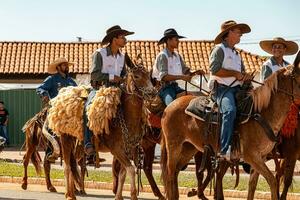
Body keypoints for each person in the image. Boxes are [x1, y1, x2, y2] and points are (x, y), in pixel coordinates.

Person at [84, 25, 134, 162]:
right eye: (122, 37)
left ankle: (132, 142)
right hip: (100, 89)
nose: (125, 40)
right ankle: (88, 143)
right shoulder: (99, 54)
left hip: (118, 89)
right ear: (114, 39)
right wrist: (112, 77)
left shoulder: (122, 56)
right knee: (88, 108)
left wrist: (126, 78)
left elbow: (124, 74)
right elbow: (94, 74)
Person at [208, 20, 253, 159]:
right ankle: (224, 149)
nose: (240, 34)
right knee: (230, 111)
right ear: (228, 34)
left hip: (237, 90)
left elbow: (241, 73)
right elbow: (214, 69)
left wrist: (246, 77)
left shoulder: (237, 54)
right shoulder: (219, 49)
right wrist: (235, 73)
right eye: (237, 31)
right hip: (221, 89)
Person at [37, 57, 77, 162]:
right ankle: (51, 151)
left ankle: (86, 150)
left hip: (71, 111)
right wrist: (44, 94)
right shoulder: (52, 79)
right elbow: (40, 88)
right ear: (58, 67)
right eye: (64, 65)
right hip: (56, 110)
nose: (66, 67)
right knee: (51, 127)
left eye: (67, 65)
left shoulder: (71, 81)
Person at [152, 28, 204, 106]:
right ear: (168, 41)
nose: (178, 41)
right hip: (164, 89)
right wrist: (181, 77)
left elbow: (186, 72)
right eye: (176, 39)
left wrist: (196, 72)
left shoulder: (177, 55)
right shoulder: (163, 55)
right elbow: (164, 77)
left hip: (175, 87)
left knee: (193, 100)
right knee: (171, 106)